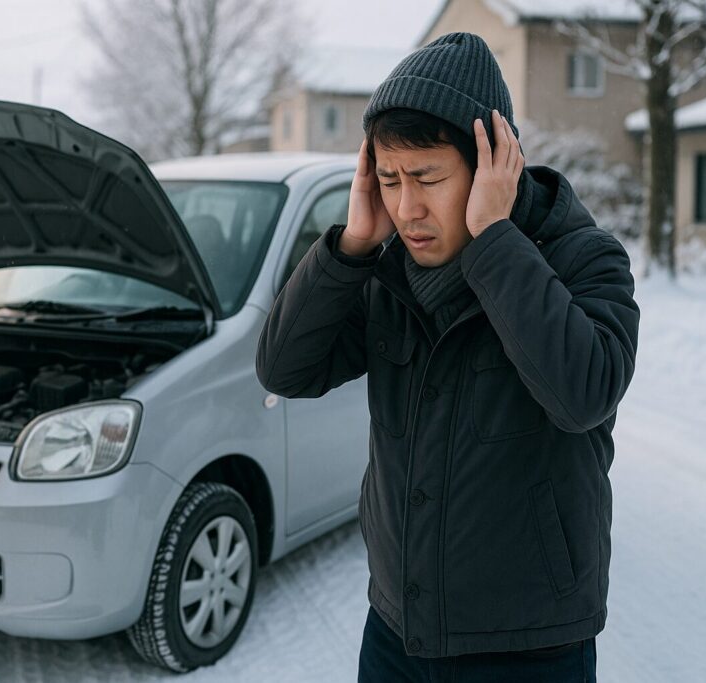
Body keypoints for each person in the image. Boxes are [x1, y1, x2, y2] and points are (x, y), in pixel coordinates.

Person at [255, 32, 639, 682]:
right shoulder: (389, 274)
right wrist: (349, 247)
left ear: (495, 162)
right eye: (389, 180)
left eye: (427, 177)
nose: (407, 208)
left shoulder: (581, 258)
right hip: (398, 630)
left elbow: (584, 392)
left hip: (529, 646)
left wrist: (493, 240)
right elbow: (285, 367)